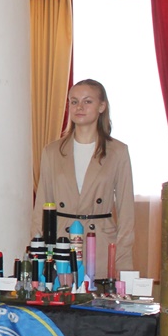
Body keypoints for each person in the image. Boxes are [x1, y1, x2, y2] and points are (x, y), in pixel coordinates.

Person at [32, 79, 134, 280]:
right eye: (74, 101)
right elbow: (42, 207)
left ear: (102, 106)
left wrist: (123, 260)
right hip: (61, 242)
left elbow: (126, 211)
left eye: (87, 101)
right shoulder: (52, 151)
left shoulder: (118, 151)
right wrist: (38, 254)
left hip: (101, 243)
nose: (79, 107)